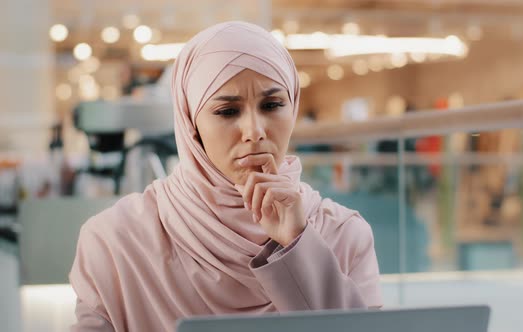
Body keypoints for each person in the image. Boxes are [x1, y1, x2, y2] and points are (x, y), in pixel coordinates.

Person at [69, 21, 382, 332]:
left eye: (272, 105)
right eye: (228, 111)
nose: (255, 132)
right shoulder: (116, 243)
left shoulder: (343, 235)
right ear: (192, 125)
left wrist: (299, 245)